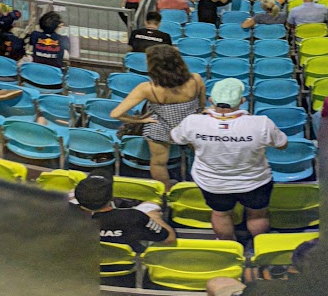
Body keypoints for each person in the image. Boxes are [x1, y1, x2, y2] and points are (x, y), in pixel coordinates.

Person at [166, 77, 285, 250]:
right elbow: (282, 144)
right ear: (243, 101)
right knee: (257, 215)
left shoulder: (193, 122)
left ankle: (229, 248)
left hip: (213, 183)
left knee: (220, 214)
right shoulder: (261, 124)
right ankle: (262, 247)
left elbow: (174, 137)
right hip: (254, 181)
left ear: (211, 100)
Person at [106, 44, 204, 179]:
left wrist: (140, 120)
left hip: (161, 129)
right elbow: (201, 106)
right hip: (190, 127)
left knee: (158, 164)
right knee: (200, 158)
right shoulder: (196, 79)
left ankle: (165, 192)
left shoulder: (147, 88)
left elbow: (115, 114)